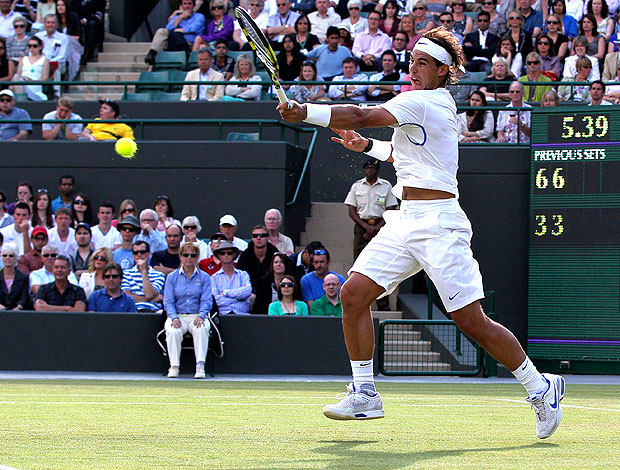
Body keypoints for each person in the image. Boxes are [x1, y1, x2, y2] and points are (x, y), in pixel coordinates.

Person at [278, 29, 565, 437]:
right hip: (404, 218)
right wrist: (367, 149)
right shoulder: (423, 105)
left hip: (440, 224)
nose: (413, 68)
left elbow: (361, 114)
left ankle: (541, 387)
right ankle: (364, 393)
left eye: (423, 63)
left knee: (471, 321)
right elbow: (403, 153)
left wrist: (306, 111)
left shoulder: (425, 101)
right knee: (353, 294)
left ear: (444, 70)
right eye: (411, 60)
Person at [163, 241, 213, 379]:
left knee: (201, 329)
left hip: (197, 315)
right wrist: (174, 317)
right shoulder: (172, 277)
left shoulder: (204, 277)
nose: (189, 258)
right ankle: (174, 366)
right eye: (186, 255)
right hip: (177, 315)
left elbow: (206, 300)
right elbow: (168, 301)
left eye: (192, 255)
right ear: (180, 256)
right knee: (173, 331)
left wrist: (201, 316)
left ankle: (200, 366)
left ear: (197, 257)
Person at [345, 158, 398, 262]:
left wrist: (376, 228)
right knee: (359, 258)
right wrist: (366, 227)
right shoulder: (357, 186)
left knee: (381, 256)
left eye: (373, 168)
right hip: (361, 226)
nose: (370, 170)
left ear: (378, 170)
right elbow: (351, 210)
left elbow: (390, 210)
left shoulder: (386, 186)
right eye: (367, 168)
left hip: (380, 226)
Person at [144, 0, 206, 65]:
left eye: (189, 4)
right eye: (185, 4)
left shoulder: (199, 16)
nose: (187, 6)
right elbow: (168, 28)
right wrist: (180, 17)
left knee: (175, 34)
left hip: (189, 42)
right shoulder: (177, 17)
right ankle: (152, 53)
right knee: (161, 31)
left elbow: (193, 28)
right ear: (181, 6)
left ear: (194, 6)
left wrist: (179, 30)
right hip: (173, 41)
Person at [121, 241, 166, 312]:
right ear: (133, 256)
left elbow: (149, 294)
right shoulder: (126, 273)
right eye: (136, 253)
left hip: (152, 311)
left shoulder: (159, 275)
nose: (139, 255)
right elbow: (126, 297)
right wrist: (149, 299)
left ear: (148, 254)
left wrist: (144, 271)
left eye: (142, 252)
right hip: (132, 311)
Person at [210, 241, 252, 315]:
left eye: (229, 253)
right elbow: (216, 300)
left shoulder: (243, 274)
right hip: (222, 317)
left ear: (234, 255)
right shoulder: (213, 278)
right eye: (222, 253)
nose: (226, 255)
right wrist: (238, 299)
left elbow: (247, 291)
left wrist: (225, 293)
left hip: (242, 315)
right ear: (219, 256)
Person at [237, 224, 279, 293]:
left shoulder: (275, 254)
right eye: (255, 236)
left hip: (271, 290)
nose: (258, 238)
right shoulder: (245, 256)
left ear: (268, 237)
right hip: (250, 292)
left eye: (262, 235)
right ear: (252, 238)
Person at [35, 14, 69, 98]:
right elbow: (33, 52)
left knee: (55, 67)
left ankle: (56, 94)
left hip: (57, 64)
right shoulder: (38, 36)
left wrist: (48, 63)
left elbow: (62, 57)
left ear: (57, 24)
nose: (50, 25)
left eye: (53, 23)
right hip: (40, 64)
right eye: (48, 22)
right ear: (44, 24)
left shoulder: (63, 38)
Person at [0, 243, 30, 310]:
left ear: (16, 257)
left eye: (11, 256)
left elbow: (24, 297)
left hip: (18, 314)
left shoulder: (23, 277)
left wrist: (18, 308)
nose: (8, 258)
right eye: (5, 255)